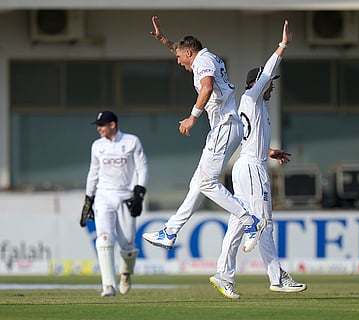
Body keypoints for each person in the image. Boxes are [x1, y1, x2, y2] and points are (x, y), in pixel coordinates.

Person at [142, 16, 265, 253]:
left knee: (207, 183)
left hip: (225, 126)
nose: (178, 62)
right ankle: (170, 231)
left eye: (179, 57)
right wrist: (163, 40)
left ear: (189, 53)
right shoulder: (203, 58)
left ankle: (250, 222)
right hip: (226, 128)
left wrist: (192, 117)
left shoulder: (203, 62)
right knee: (198, 183)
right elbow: (185, 56)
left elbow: (207, 86)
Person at [209, 20, 307, 299]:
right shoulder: (251, 97)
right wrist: (282, 45)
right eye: (268, 84)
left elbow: (248, 138)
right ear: (256, 84)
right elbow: (267, 73)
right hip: (251, 169)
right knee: (263, 221)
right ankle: (276, 277)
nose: (271, 87)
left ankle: (223, 274)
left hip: (248, 164)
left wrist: (269, 152)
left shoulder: (257, 106)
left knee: (240, 221)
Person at [80, 110, 148, 297]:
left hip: (126, 196)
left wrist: (140, 192)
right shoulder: (97, 146)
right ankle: (108, 285)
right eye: (98, 125)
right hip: (104, 195)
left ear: (113, 125)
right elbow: (93, 172)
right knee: (104, 238)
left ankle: (126, 273)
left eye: (102, 125)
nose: (99, 129)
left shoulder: (131, 142)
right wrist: (88, 198)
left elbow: (142, 167)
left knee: (128, 245)